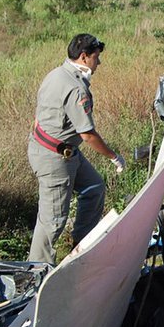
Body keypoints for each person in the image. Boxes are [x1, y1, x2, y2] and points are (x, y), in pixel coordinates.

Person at [27, 33, 126, 264]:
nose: (98, 63)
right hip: (55, 157)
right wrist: (114, 157)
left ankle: (81, 247)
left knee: (94, 187)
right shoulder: (75, 89)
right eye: (96, 58)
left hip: (60, 149)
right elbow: (88, 134)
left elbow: (38, 115)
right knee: (52, 221)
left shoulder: (55, 74)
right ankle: (34, 273)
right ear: (84, 57)